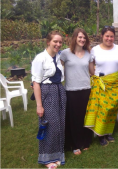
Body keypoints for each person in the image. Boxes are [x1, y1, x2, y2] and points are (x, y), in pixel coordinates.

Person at [31, 31, 66, 169]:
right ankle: (46, 158)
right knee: (49, 125)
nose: (58, 44)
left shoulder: (59, 56)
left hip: (59, 91)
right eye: (55, 41)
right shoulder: (40, 59)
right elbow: (36, 83)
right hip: (47, 92)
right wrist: (39, 105)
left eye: (60, 42)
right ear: (48, 42)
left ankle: (57, 154)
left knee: (60, 124)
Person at [84, 26, 118, 146]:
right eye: (107, 36)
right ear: (102, 36)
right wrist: (93, 75)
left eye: (111, 36)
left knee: (112, 108)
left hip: (115, 83)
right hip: (101, 84)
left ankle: (108, 132)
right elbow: (90, 66)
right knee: (103, 109)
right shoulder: (95, 50)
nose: (109, 38)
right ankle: (101, 134)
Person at [60, 28, 94, 155]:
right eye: (80, 37)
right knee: (74, 118)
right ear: (74, 38)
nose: (82, 40)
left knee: (85, 117)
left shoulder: (88, 54)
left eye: (84, 37)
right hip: (71, 90)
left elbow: (92, 72)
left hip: (86, 89)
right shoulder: (65, 53)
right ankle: (74, 144)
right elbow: (57, 68)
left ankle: (85, 141)